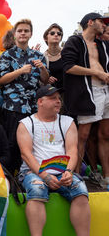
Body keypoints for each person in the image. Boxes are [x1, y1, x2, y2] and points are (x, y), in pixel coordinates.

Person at [17, 85, 90, 236]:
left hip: (62, 171)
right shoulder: (26, 123)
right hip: (34, 172)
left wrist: (69, 172)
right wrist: (44, 176)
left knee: (81, 192)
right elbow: (26, 154)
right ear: (40, 102)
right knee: (37, 190)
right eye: (52, 98)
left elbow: (72, 151)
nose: (58, 101)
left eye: (58, 98)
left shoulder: (67, 122)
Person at [62, 12, 109, 184]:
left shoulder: (102, 44)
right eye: (101, 22)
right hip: (88, 92)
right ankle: (76, 176)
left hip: (106, 91)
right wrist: (96, 73)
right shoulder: (74, 41)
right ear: (90, 22)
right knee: (83, 135)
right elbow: (68, 67)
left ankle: (106, 177)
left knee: (105, 135)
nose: (104, 25)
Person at [0, 19, 49, 174]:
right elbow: (0, 81)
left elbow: (45, 81)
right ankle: (11, 178)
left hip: (34, 107)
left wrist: (43, 69)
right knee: (12, 143)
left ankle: (29, 175)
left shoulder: (38, 56)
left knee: (33, 143)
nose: (23, 33)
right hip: (13, 106)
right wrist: (19, 71)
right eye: (20, 31)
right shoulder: (7, 55)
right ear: (14, 34)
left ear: (31, 34)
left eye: (26, 31)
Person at [43, 23, 64, 90]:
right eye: (52, 33)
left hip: (69, 92)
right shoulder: (42, 57)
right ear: (45, 38)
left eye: (59, 33)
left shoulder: (67, 52)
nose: (56, 35)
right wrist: (46, 79)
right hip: (52, 94)